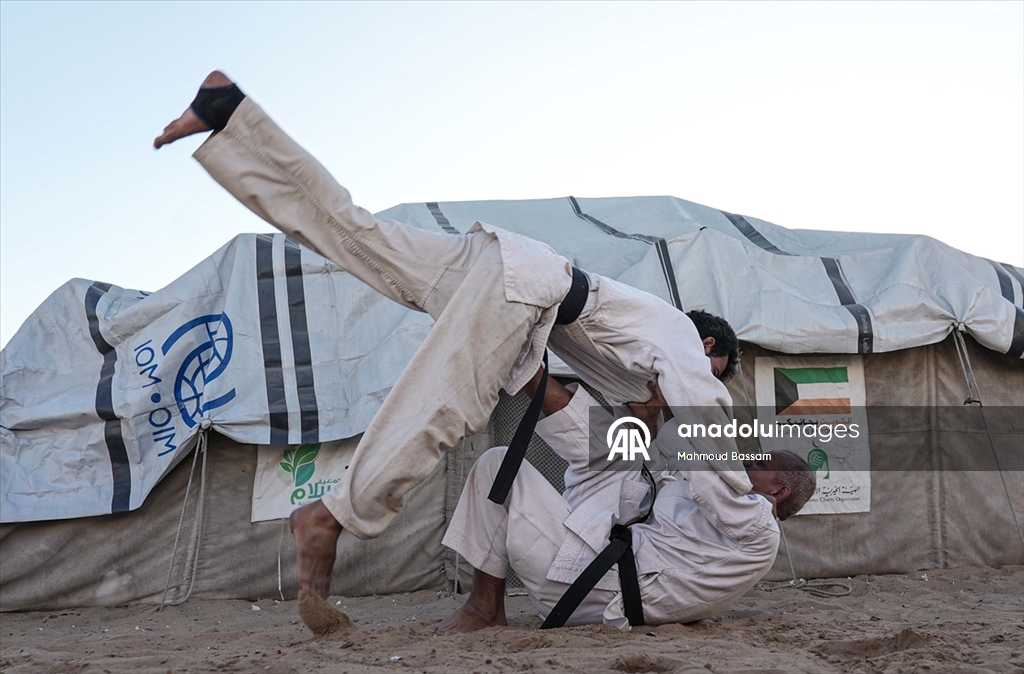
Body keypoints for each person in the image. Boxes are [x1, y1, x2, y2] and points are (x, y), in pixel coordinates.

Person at [155, 72, 749, 601]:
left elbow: (613, 433)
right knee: (446, 401)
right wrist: (745, 499)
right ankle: (332, 516)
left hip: (505, 266)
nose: (696, 385)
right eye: (713, 370)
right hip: (526, 287)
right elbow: (707, 424)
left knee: (354, 233)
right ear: (706, 350)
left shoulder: (634, 355)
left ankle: (231, 115)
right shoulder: (677, 339)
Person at [438, 368, 814, 631]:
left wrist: (684, 396)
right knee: (616, 457)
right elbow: (663, 459)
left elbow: (701, 463)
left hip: (590, 588)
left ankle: (484, 609)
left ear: (777, 491)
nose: (746, 458)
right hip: (591, 574)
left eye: (761, 461)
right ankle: (531, 373)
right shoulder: (718, 518)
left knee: (496, 465)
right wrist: (653, 412)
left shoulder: (760, 528)